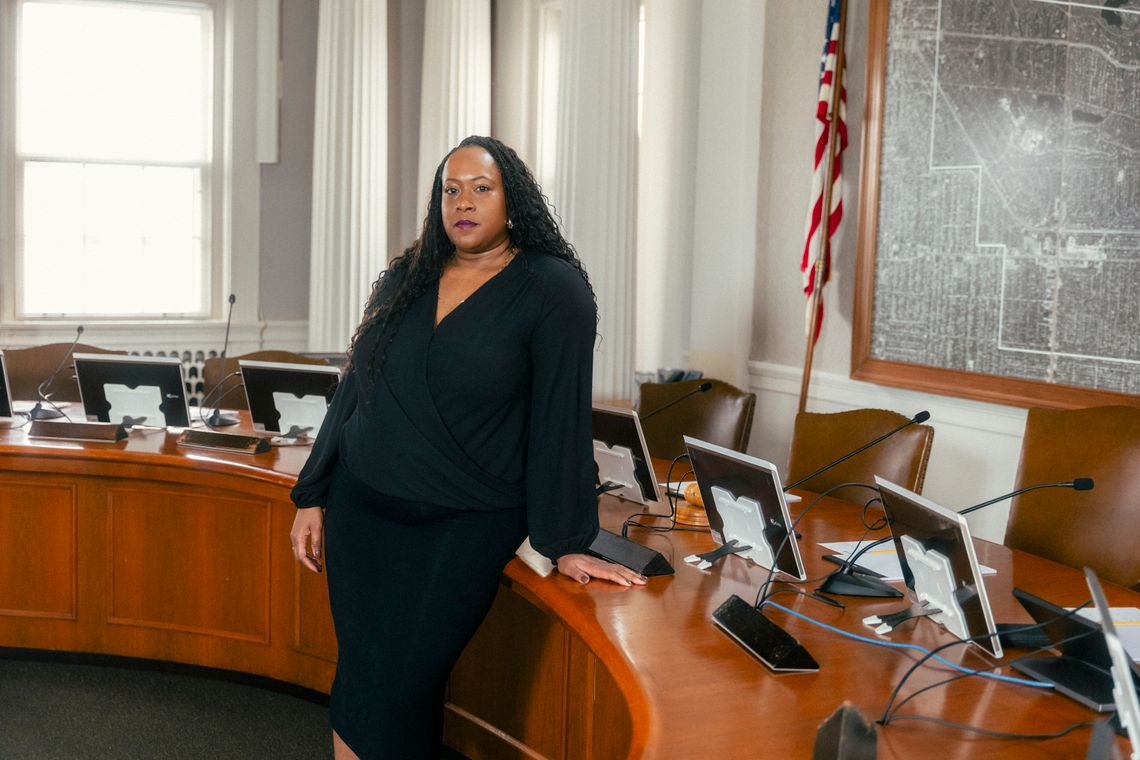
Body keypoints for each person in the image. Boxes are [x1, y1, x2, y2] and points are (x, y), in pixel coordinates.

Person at [289, 135, 647, 760]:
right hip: (362, 510)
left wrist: (566, 539)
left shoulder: (552, 288)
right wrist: (312, 492)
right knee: (364, 673)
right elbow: (356, 388)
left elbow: (560, 417)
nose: (464, 202)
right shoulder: (409, 274)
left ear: (513, 200)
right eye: (450, 189)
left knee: (399, 683)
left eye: (482, 188)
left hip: (463, 523)